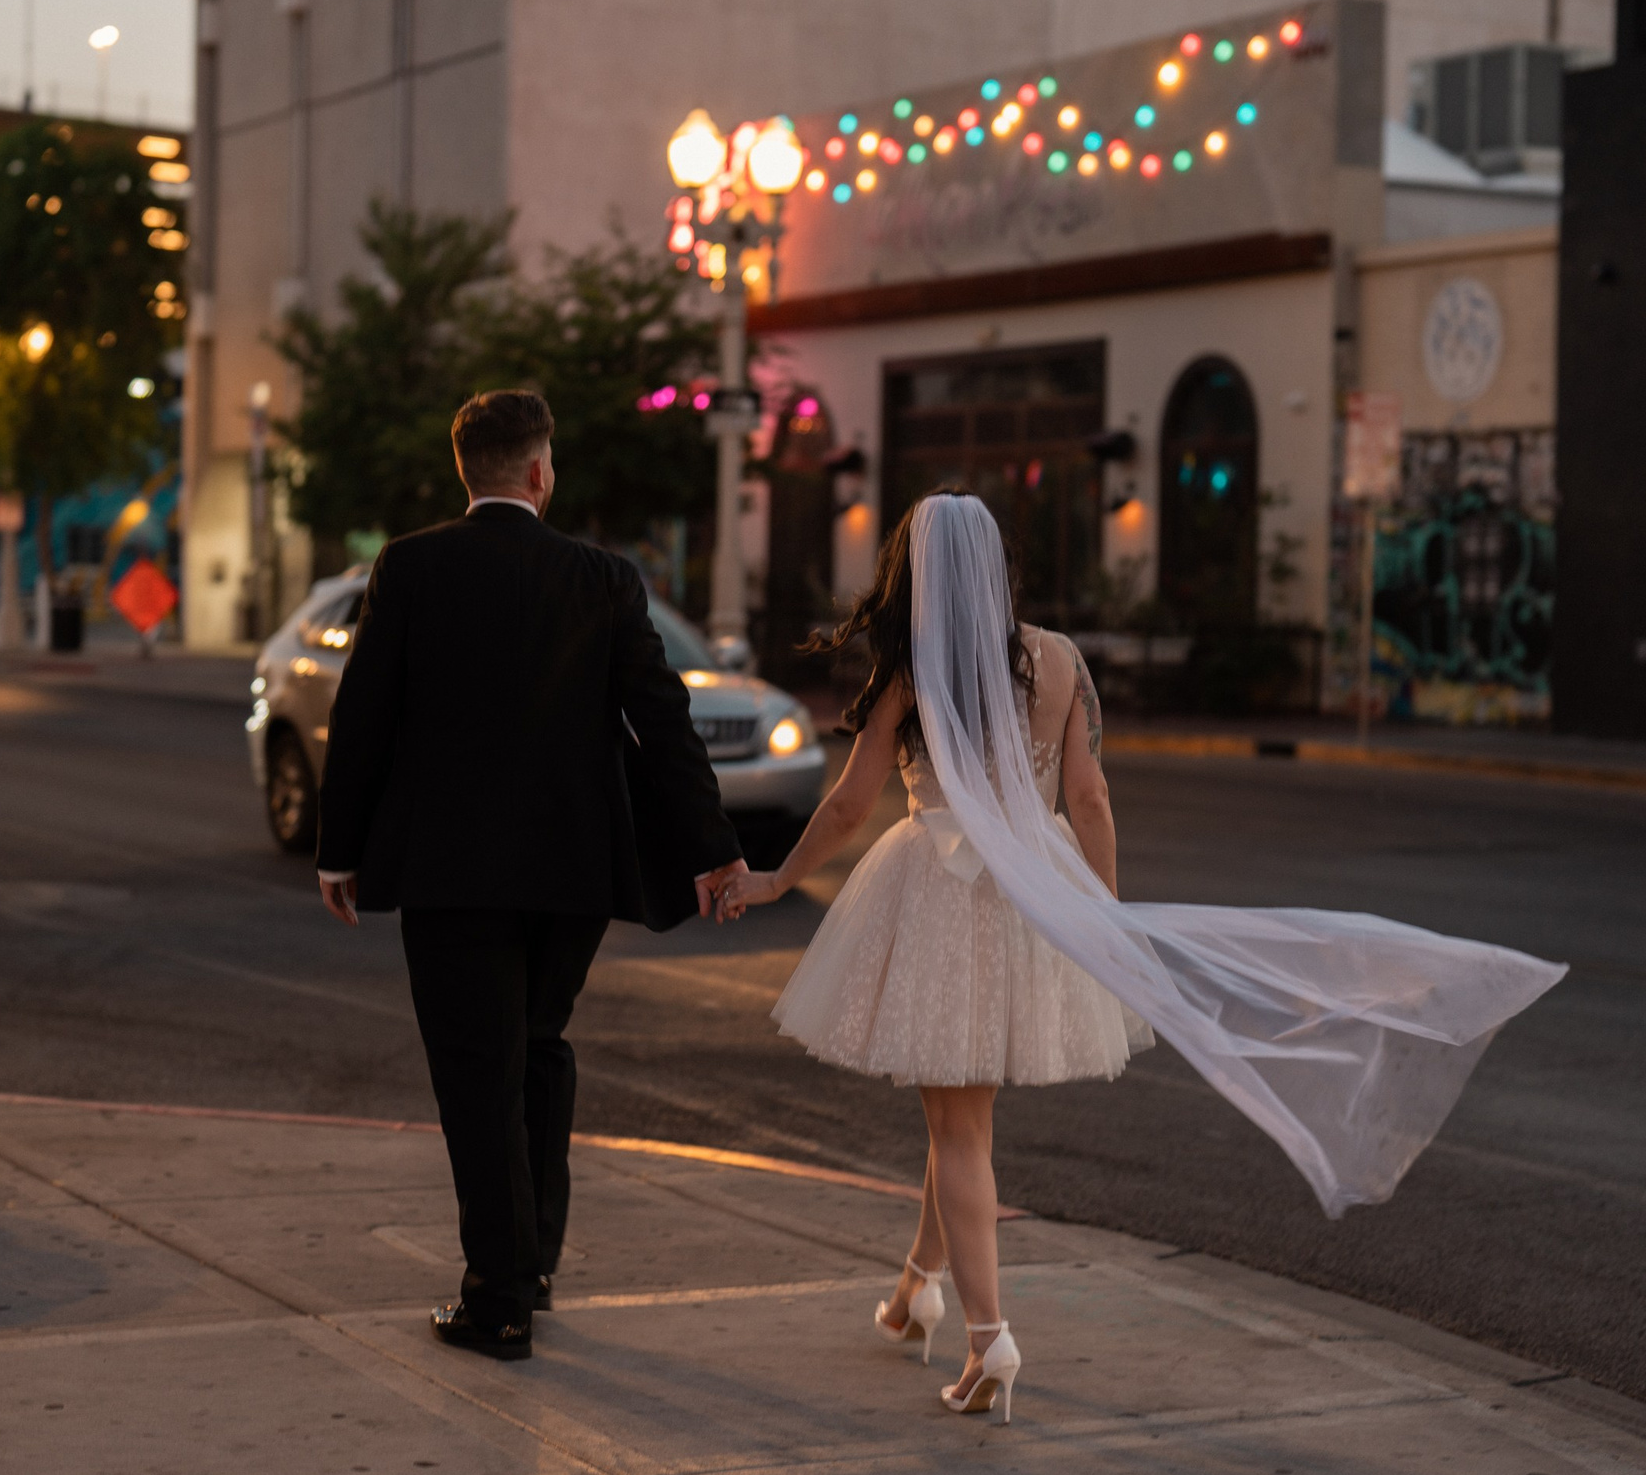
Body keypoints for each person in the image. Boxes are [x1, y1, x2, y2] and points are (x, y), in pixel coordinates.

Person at [717, 492, 1565, 1423]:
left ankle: (988, 1337)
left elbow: (846, 806)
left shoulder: (910, 672)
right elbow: (1092, 799)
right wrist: (1101, 916)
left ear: (914, 571)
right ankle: (917, 1285)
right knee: (962, 1107)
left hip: (938, 892)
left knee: (958, 1125)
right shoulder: (1057, 660)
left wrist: (773, 878)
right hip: (1029, 890)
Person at [314, 388, 747, 1362]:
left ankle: (498, 1297)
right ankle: (533, 1260)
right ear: (542, 471)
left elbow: (365, 714)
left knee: (479, 1072)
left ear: (465, 470)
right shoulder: (601, 578)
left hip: (450, 870)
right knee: (536, 1046)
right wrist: (714, 846)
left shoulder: (413, 566)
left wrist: (339, 847)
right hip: (572, 871)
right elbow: (660, 718)